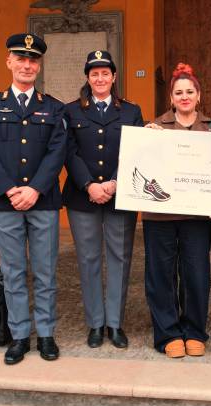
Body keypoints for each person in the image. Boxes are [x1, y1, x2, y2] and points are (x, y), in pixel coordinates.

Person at [0, 33, 67, 365]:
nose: (27, 65)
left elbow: (57, 152)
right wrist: (10, 189)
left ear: (39, 65)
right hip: (4, 202)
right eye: (21, 59)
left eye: (33, 60)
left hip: (42, 201)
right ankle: (18, 336)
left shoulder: (53, 107)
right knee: (12, 273)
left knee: (45, 271)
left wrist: (35, 189)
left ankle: (45, 334)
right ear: (9, 62)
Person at [62, 50, 144, 349]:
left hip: (119, 195)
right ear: (88, 77)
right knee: (88, 259)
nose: (100, 78)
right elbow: (69, 152)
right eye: (94, 73)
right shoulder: (72, 111)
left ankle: (115, 323)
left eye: (105, 73)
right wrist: (88, 185)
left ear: (113, 77)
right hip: (82, 197)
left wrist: (113, 182)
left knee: (120, 259)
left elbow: (136, 150)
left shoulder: (130, 111)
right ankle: (96, 324)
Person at [143, 63, 211, 358]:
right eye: (179, 92)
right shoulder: (155, 128)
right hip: (160, 215)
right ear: (171, 98)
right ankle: (167, 334)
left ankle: (195, 331)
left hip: (197, 216)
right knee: (160, 273)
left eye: (190, 91)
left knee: (196, 273)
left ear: (199, 96)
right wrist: (145, 141)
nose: (185, 96)